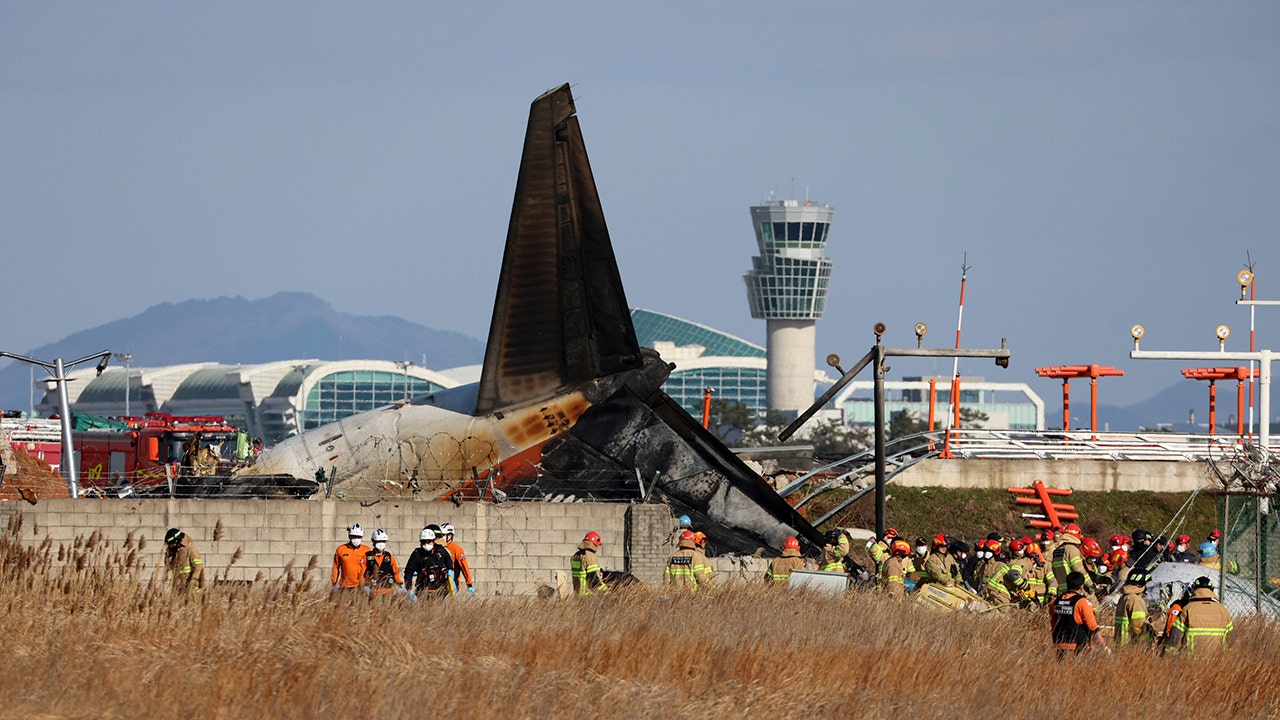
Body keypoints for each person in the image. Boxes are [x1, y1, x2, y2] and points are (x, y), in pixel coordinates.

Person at [1164, 576, 1233, 656]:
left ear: (1194, 590)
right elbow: (1231, 640)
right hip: (1218, 662)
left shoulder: (1187, 610)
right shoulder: (1223, 610)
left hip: (1191, 663)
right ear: (1212, 590)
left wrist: (1166, 657)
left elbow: (1174, 639)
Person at [1050, 571, 1102, 658]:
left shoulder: (1055, 602)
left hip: (1060, 648)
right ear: (1082, 587)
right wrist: (1105, 647)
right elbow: (1093, 627)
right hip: (1078, 647)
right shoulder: (1082, 602)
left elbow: (1053, 625)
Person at [404, 527, 455, 600]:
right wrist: (408, 589)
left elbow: (448, 560)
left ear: (434, 541)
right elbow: (408, 572)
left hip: (441, 592)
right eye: (424, 542)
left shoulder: (440, 550)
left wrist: (450, 570)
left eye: (429, 542)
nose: (426, 544)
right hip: (423, 592)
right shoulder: (417, 554)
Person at [1113, 568, 1152, 649]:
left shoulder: (1124, 597)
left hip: (1121, 645)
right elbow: (1138, 626)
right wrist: (1147, 643)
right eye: (1146, 583)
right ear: (1141, 584)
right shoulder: (1134, 600)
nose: (1147, 585)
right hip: (1132, 647)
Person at [363, 529, 403, 597]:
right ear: (373, 542)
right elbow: (362, 573)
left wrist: (401, 584)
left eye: (383, 541)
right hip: (372, 592)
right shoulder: (367, 556)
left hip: (388, 592)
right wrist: (364, 585)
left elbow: (395, 573)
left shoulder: (389, 557)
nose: (381, 543)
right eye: (378, 541)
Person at [164, 527, 205, 593]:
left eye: (172, 543)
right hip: (177, 587)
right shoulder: (175, 552)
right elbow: (169, 567)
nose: (170, 546)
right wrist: (167, 557)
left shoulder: (191, 550)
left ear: (178, 541)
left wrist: (193, 580)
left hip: (190, 586)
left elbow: (198, 566)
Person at [331, 523, 369, 592]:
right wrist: (334, 583)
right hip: (344, 587)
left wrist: (368, 584)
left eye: (359, 537)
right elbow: (335, 567)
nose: (356, 539)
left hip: (361, 587)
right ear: (349, 536)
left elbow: (371, 568)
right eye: (354, 536)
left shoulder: (366, 550)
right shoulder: (341, 549)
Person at [440, 523, 476, 596]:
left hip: (452, 584)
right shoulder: (438, 547)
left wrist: (469, 584)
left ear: (449, 536)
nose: (441, 537)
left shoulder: (457, 549)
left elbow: (464, 567)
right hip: (440, 582)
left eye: (443, 535)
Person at [571, 531, 608, 596]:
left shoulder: (575, 556)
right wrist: (605, 590)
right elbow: (593, 577)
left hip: (578, 594)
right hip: (588, 595)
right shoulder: (589, 556)